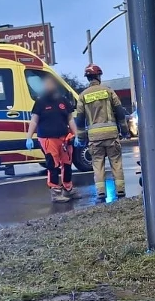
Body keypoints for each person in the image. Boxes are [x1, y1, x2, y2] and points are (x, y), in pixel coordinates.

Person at [74, 63, 127, 201]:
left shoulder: (82, 96)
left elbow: (79, 119)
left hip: (94, 138)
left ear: (87, 79)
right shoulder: (109, 91)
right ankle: (120, 190)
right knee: (116, 162)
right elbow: (120, 112)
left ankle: (101, 192)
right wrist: (125, 130)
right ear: (98, 76)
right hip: (111, 135)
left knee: (97, 164)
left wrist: (80, 137)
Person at [26, 75, 79, 202]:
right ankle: (55, 192)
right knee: (53, 165)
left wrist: (76, 135)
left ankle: (68, 189)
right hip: (48, 139)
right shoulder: (40, 102)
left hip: (65, 139)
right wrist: (28, 137)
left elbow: (70, 119)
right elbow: (34, 121)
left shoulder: (63, 101)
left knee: (67, 164)